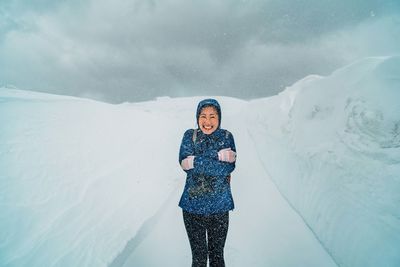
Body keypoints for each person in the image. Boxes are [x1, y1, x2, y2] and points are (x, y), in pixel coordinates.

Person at [178, 98, 237, 267]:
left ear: (219, 118)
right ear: (197, 117)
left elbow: (227, 168)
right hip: (192, 208)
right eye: (203, 116)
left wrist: (196, 160)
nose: (208, 121)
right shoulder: (190, 135)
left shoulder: (227, 137)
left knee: (217, 258)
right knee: (199, 259)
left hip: (219, 208)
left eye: (213, 116)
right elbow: (185, 164)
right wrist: (219, 156)